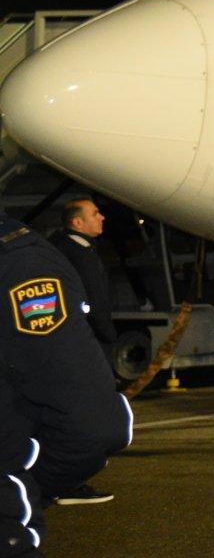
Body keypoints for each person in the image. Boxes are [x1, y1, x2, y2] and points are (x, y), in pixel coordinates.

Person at [1, 212, 132, 545]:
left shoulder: (20, 259)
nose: (102, 218)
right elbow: (91, 428)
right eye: (93, 213)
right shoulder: (21, 258)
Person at [49, 199, 116, 363]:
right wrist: (108, 334)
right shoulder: (81, 255)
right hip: (86, 339)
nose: (102, 217)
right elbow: (95, 298)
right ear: (78, 223)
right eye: (95, 214)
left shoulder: (56, 248)